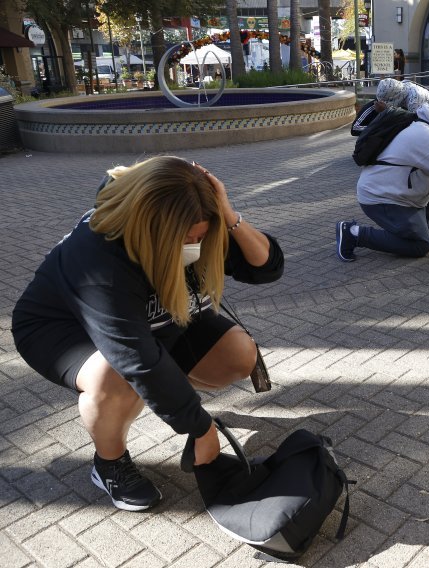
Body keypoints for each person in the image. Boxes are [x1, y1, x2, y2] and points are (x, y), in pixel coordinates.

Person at [11, 157, 284, 511]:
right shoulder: (99, 252)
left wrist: (228, 216)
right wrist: (200, 427)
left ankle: (162, 387)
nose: (196, 245)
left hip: (150, 322)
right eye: (188, 239)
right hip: (62, 330)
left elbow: (266, 268)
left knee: (239, 353)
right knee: (116, 377)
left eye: (201, 236)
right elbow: (133, 357)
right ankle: (109, 464)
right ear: (153, 226)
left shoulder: (195, 223)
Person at [336, 108, 429, 260]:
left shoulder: (424, 127)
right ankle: (352, 233)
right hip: (380, 198)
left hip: (392, 192)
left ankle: (419, 225)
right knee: (420, 245)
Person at [351, 78, 429, 136]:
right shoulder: (400, 87)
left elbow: (415, 126)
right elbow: (355, 128)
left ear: (394, 98)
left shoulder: (414, 100)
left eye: (386, 101)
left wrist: (381, 126)